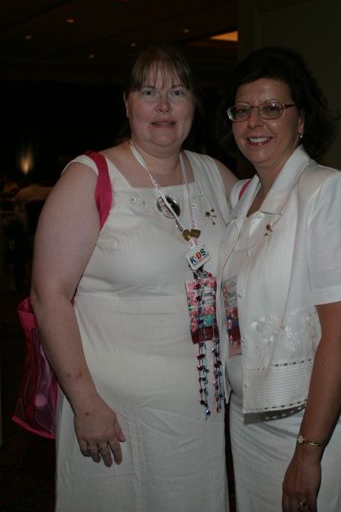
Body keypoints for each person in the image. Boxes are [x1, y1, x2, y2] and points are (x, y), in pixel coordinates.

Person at [30, 44, 237, 512]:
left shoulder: (214, 174)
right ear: (127, 104)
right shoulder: (89, 177)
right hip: (114, 415)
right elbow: (49, 296)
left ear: (193, 105)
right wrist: (85, 403)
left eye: (177, 92)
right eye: (150, 91)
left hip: (200, 412)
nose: (164, 106)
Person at [216, 46, 341, 512]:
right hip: (250, 418)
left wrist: (309, 450)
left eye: (272, 108)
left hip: (315, 423)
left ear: (301, 121)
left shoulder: (327, 191)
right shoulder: (244, 199)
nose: (254, 122)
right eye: (242, 110)